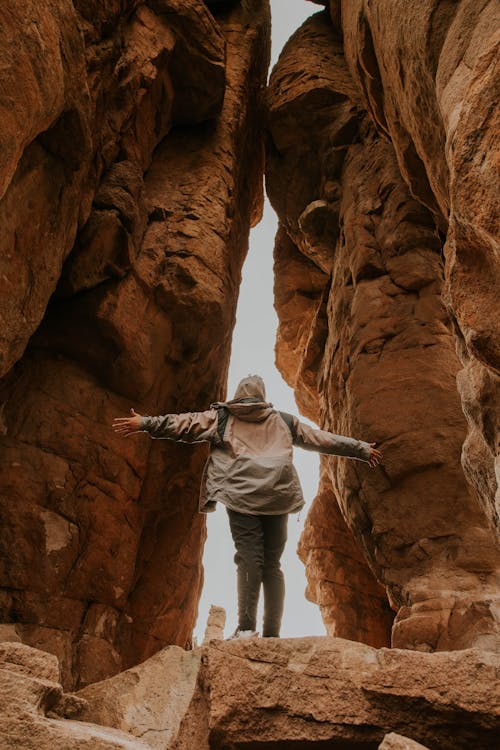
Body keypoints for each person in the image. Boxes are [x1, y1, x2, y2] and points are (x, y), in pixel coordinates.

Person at [112, 375, 382, 640]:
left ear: (238, 394)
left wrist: (144, 423)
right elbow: (321, 439)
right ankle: (272, 634)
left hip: (240, 495)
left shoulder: (222, 418)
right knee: (272, 565)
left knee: (248, 557)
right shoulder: (284, 421)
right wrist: (361, 449)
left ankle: (245, 629)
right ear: (262, 395)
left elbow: (183, 424)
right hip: (277, 496)